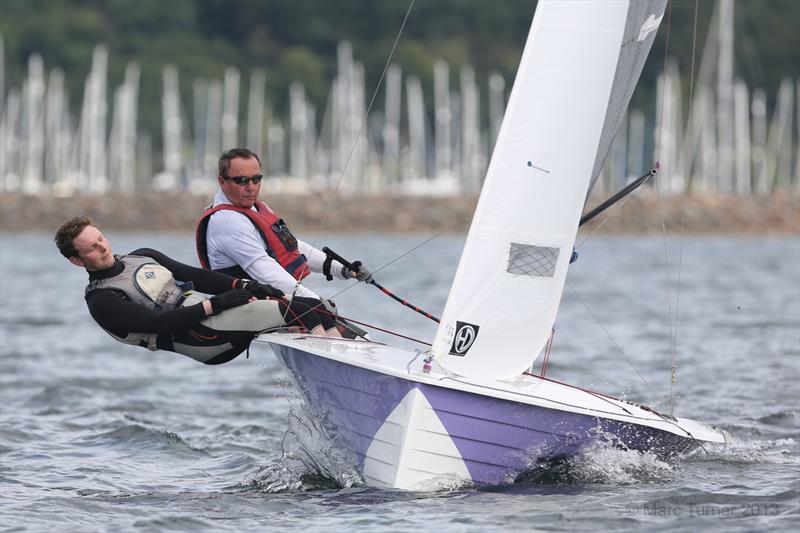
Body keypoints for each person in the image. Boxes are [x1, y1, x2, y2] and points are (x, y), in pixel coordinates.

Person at [55, 217, 342, 366]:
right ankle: (336, 367)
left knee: (318, 306)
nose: (102, 247)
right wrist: (216, 305)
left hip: (217, 317)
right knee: (299, 309)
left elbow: (197, 277)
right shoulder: (102, 300)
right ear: (76, 261)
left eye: (100, 238)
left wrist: (243, 286)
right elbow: (158, 324)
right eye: (91, 247)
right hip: (203, 340)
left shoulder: (142, 256)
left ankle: (351, 354)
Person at [195, 148, 374, 303]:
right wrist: (314, 301)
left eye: (256, 179)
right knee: (327, 320)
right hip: (243, 305)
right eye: (242, 180)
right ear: (222, 181)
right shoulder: (226, 221)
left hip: (270, 298)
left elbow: (292, 246)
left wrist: (342, 269)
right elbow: (265, 271)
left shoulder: (257, 208)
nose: (251, 187)